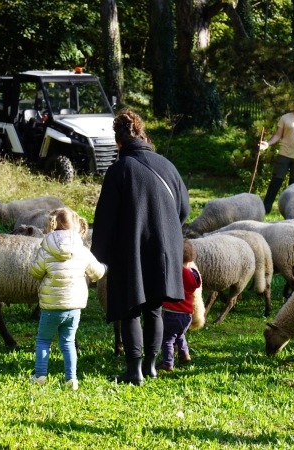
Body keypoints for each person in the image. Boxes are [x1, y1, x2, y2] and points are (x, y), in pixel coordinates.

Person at [91, 110, 191, 386]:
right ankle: (151, 366)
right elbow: (184, 209)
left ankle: (134, 371)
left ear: (118, 144)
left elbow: (106, 218)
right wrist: (167, 233)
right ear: (144, 136)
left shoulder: (119, 170)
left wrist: (99, 255)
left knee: (130, 309)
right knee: (154, 309)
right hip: (163, 251)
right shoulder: (167, 166)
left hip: (130, 250)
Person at [29, 208, 107, 390]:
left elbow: (35, 271)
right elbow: (98, 272)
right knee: (68, 342)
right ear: (76, 225)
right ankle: (71, 379)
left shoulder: (46, 248)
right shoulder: (82, 249)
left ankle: (40, 376)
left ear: (53, 224)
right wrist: (104, 267)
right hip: (74, 306)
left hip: (50, 306)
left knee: (43, 340)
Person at [259, 93, 294, 214]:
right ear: (293, 103)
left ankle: (292, 213)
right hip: (284, 155)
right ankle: (265, 210)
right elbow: (278, 135)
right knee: (276, 182)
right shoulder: (285, 118)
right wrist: (267, 144)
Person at [156, 239, 201, 372]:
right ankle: (184, 353)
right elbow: (197, 284)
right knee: (179, 333)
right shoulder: (194, 274)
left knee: (167, 339)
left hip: (173, 313)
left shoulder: (175, 272)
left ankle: (168, 363)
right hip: (187, 315)